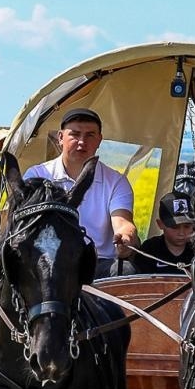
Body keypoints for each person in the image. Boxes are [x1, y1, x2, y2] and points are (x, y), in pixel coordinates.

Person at [22, 107, 138, 276]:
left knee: (126, 270)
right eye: (75, 134)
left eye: (90, 135)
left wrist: (126, 237)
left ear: (99, 140)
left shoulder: (116, 182)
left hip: (97, 265)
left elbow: (122, 222)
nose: (82, 142)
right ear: (60, 137)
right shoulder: (37, 175)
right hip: (49, 263)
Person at [136, 191, 195, 271]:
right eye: (174, 227)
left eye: (187, 226)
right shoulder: (149, 249)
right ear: (160, 224)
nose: (181, 233)